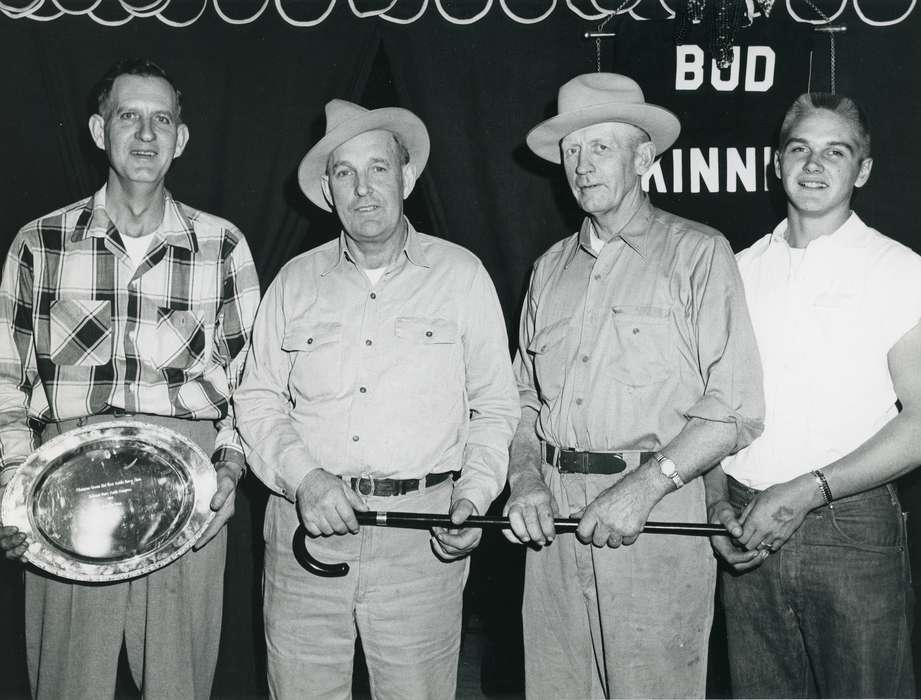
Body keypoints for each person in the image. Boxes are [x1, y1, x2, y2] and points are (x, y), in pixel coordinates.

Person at [234, 98, 519, 700]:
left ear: (407, 177)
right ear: (327, 192)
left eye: (379, 168)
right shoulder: (293, 282)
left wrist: (473, 496)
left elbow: (496, 405)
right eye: (345, 173)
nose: (363, 189)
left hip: (422, 543)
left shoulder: (462, 276)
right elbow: (257, 401)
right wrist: (306, 480)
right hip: (304, 536)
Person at [0, 58, 260, 700]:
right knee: (68, 684)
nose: (146, 134)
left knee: (178, 685)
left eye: (162, 119)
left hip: (187, 486)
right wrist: (14, 483)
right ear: (97, 129)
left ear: (182, 137)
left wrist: (227, 468)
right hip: (67, 488)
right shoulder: (41, 244)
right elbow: (4, 371)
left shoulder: (222, 247)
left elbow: (254, 377)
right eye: (128, 117)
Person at [504, 72, 764, 698]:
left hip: (655, 516)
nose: (582, 165)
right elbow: (522, 402)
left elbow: (735, 409)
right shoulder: (548, 270)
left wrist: (643, 490)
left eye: (600, 147)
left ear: (644, 157)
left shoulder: (699, 253)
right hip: (553, 528)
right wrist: (525, 479)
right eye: (571, 150)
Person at [707, 92, 921, 698]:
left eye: (836, 151)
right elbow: (713, 407)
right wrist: (715, 504)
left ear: (864, 169)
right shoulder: (738, 269)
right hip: (748, 523)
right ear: (776, 163)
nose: (814, 165)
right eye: (799, 149)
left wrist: (806, 492)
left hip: (848, 526)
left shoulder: (898, 270)